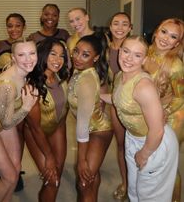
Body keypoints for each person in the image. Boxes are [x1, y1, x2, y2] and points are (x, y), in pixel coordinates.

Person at [101, 35, 179, 202]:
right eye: (126, 51)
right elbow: (119, 98)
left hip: (153, 143)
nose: (129, 58)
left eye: (137, 55)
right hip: (133, 138)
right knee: (134, 192)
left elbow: (157, 130)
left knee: (149, 196)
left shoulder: (143, 87)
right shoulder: (120, 75)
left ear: (144, 59)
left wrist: (144, 153)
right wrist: (97, 96)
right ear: (119, 51)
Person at [0, 39, 39, 202]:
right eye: (21, 55)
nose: (28, 59)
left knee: (16, 170)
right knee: (9, 177)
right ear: (13, 57)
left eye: (32, 53)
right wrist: (26, 107)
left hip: (4, 121)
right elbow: (7, 123)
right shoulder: (7, 84)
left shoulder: (23, 73)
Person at [68, 34, 113, 202]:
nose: (78, 58)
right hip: (91, 129)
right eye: (76, 51)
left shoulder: (86, 80)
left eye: (85, 55)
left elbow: (82, 125)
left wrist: (81, 160)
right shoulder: (80, 71)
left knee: (84, 182)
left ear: (96, 57)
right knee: (91, 177)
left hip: (98, 131)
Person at [143, 18, 184, 202]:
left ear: (178, 42)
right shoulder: (146, 51)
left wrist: (164, 112)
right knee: (151, 160)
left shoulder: (176, 65)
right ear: (156, 31)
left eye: (173, 36)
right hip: (151, 111)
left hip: (173, 115)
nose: (166, 38)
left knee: (168, 165)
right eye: (164, 32)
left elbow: (180, 97)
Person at [24, 38, 69, 202]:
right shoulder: (32, 84)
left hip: (57, 128)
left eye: (62, 55)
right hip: (36, 133)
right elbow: (35, 128)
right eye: (53, 54)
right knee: (51, 180)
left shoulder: (60, 77)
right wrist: (49, 157)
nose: (58, 60)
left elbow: (63, 111)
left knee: (56, 176)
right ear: (43, 55)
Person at [0, 12, 27, 191]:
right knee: (3, 133)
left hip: (22, 96)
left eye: (17, 25)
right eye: (10, 25)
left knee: (20, 135)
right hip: (3, 98)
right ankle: (2, 171)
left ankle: (16, 170)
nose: (13, 29)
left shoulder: (28, 46)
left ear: (24, 27)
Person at [107, 12, 132, 200]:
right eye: (116, 23)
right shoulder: (105, 49)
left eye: (125, 24)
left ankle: (137, 184)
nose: (120, 27)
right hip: (114, 103)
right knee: (122, 145)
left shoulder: (138, 48)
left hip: (135, 103)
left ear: (130, 28)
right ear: (110, 26)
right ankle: (125, 182)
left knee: (137, 146)